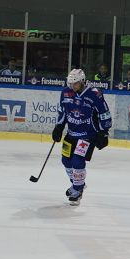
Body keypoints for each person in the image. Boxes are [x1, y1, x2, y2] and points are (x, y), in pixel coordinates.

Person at [51, 69, 112, 205]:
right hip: (71, 134)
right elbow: (62, 111)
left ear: (83, 81)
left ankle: (78, 190)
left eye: (76, 84)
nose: (73, 86)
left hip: (88, 136)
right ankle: (78, 184)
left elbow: (104, 113)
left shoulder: (94, 94)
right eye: (71, 83)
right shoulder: (65, 92)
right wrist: (59, 127)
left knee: (77, 160)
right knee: (66, 161)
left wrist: (104, 132)